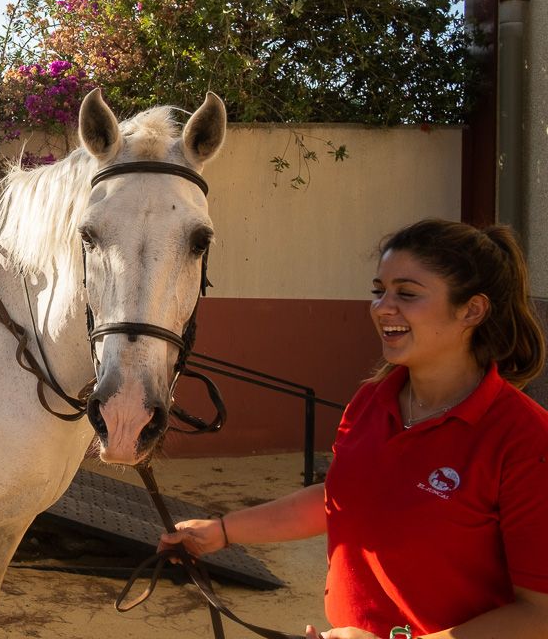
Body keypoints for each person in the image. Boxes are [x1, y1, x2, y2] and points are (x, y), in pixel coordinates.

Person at [160, 219, 548, 639]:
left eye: (407, 293)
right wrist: (222, 531)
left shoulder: (525, 437)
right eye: (379, 291)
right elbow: (342, 497)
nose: (382, 308)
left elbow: (539, 616)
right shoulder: (372, 401)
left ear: (472, 310)